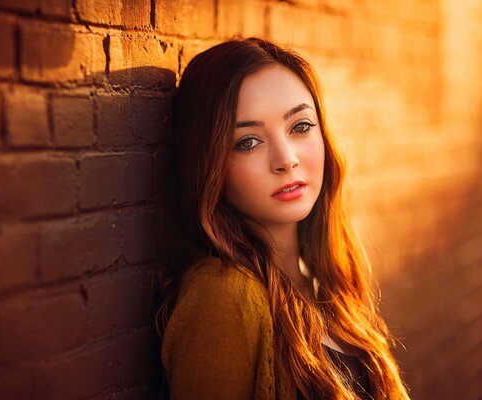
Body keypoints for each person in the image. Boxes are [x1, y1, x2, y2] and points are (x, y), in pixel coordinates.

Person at [155, 37, 411, 400]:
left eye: (300, 126)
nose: (286, 159)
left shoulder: (322, 284)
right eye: (248, 142)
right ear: (210, 165)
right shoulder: (224, 296)